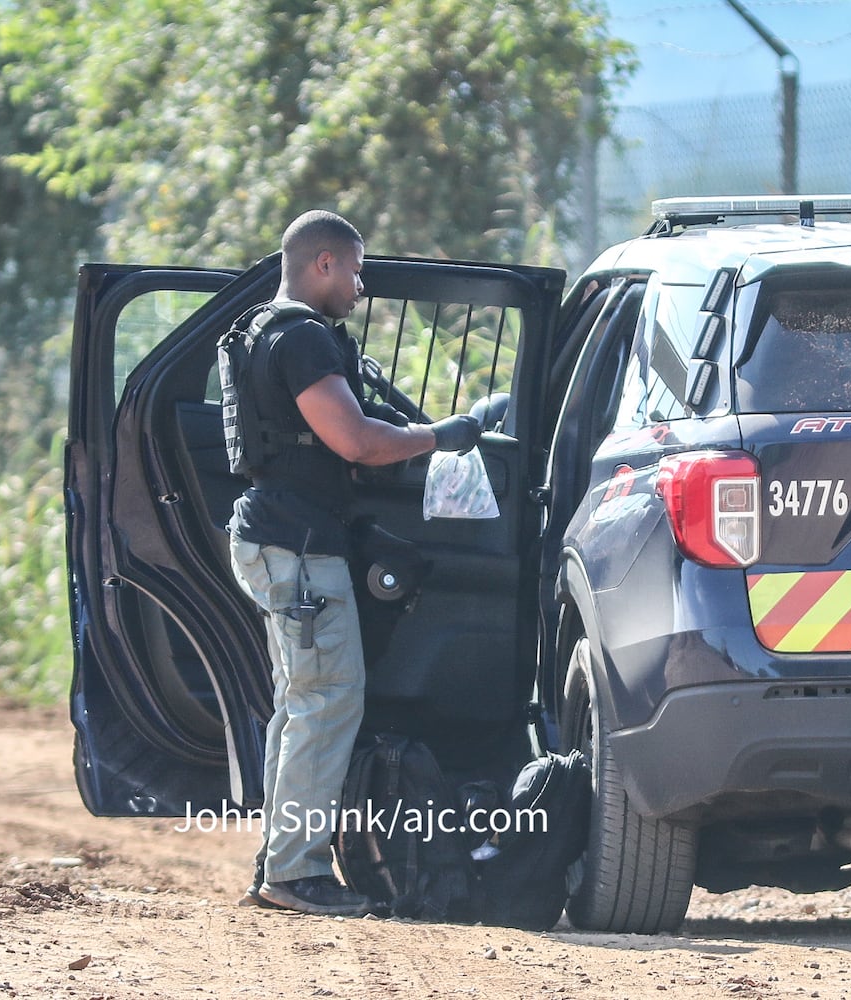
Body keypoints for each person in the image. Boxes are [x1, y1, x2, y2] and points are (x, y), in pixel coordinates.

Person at [227, 210, 480, 916]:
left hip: (281, 537)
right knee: (326, 700)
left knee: (300, 703)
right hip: (298, 546)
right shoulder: (303, 337)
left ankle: (280, 862)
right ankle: (295, 871)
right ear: (325, 264)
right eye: (358, 270)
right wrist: (440, 436)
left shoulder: (258, 329)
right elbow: (358, 443)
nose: (362, 287)